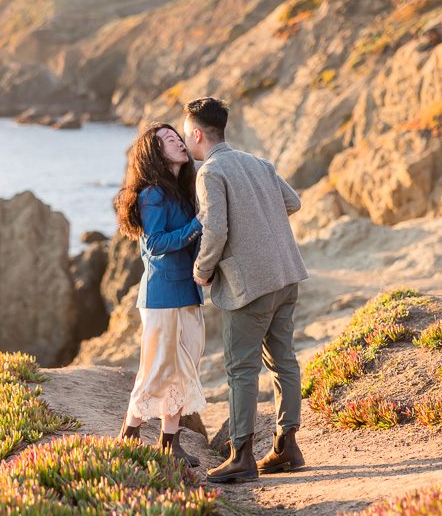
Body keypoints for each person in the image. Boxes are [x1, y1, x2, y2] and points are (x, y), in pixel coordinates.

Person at [181, 97, 308, 483]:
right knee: (283, 361)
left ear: (198, 134)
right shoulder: (258, 163)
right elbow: (293, 202)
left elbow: (216, 230)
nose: (186, 142)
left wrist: (202, 271)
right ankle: (287, 445)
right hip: (285, 275)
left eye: (186, 135)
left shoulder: (210, 172)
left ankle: (241, 456)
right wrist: (258, 221)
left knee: (241, 369)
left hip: (248, 286)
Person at [114, 122, 206, 466]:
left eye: (178, 137)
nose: (180, 142)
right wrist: (198, 223)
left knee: (183, 368)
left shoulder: (180, 191)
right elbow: (155, 244)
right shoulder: (153, 193)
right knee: (157, 369)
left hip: (188, 291)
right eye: (170, 139)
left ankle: (170, 442)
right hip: (162, 293)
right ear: (155, 152)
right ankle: (129, 437)